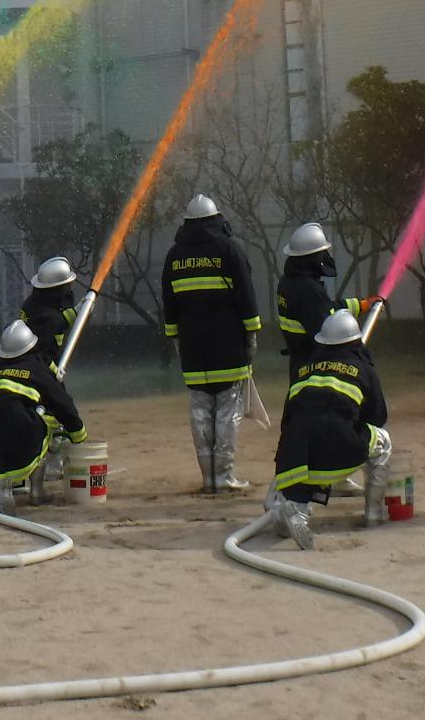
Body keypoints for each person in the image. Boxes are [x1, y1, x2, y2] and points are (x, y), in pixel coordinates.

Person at [267, 308, 392, 548]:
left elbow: (287, 420)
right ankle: (373, 516)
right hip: (338, 456)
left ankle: (295, 513)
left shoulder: (301, 371)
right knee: (383, 441)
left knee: (295, 441)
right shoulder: (364, 369)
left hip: (295, 464)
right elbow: (378, 417)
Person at [163, 194, 263, 495]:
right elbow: (246, 295)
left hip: (192, 344)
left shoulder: (175, 255)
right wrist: (252, 332)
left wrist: (175, 337)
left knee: (200, 408)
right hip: (227, 341)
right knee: (228, 408)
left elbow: (169, 303)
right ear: (216, 219)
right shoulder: (229, 249)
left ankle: (208, 478)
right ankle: (224, 476)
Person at [0, 321, 89, 515]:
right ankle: (36, 491)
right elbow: (63, 405)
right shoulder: (37, 371)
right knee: (48, 421)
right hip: (21, 430)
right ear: (32, 348)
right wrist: (79, 437)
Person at [276, 224, 364, 375]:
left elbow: (325, 308)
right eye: (320, 253)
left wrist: (361, 305)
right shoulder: (308, 288)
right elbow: (328, 329)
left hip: (299, 362)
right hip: (316, 365)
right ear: (311, 257)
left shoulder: (287, 282)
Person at [19, 256, 78, 365]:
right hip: (41, 370)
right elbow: (43, 353)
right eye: (68, 285)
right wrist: (53, 370)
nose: (70, 288)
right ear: (59, 288)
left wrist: (80, 310)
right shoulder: (51, 318)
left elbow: (64, 320)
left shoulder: (32, 304)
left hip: (26, 364)